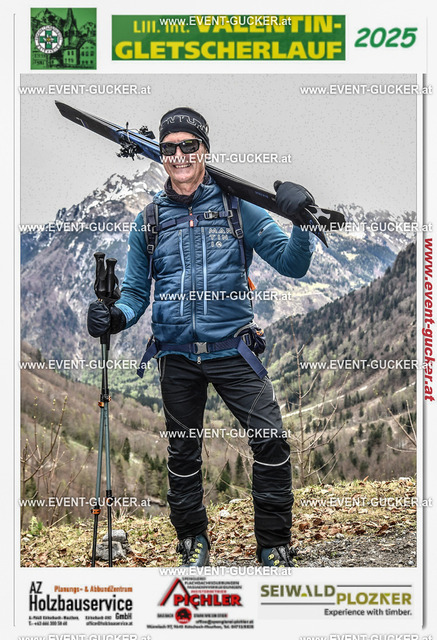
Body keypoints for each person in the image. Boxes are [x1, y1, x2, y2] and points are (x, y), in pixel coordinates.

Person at [87, 107, 316, 568]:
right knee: (183, 452)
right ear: (162, 154)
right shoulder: (150, 221)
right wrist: (114, 318)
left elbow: (293, 264)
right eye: (170, 148)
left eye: (188, 146)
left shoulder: (239, 207)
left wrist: (302, 222)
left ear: (204, 150)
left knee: (270, 439)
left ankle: (273, 546)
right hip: (175, 355)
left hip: (234, 349)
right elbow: (135, 295)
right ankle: (193, 543)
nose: (179, 156)